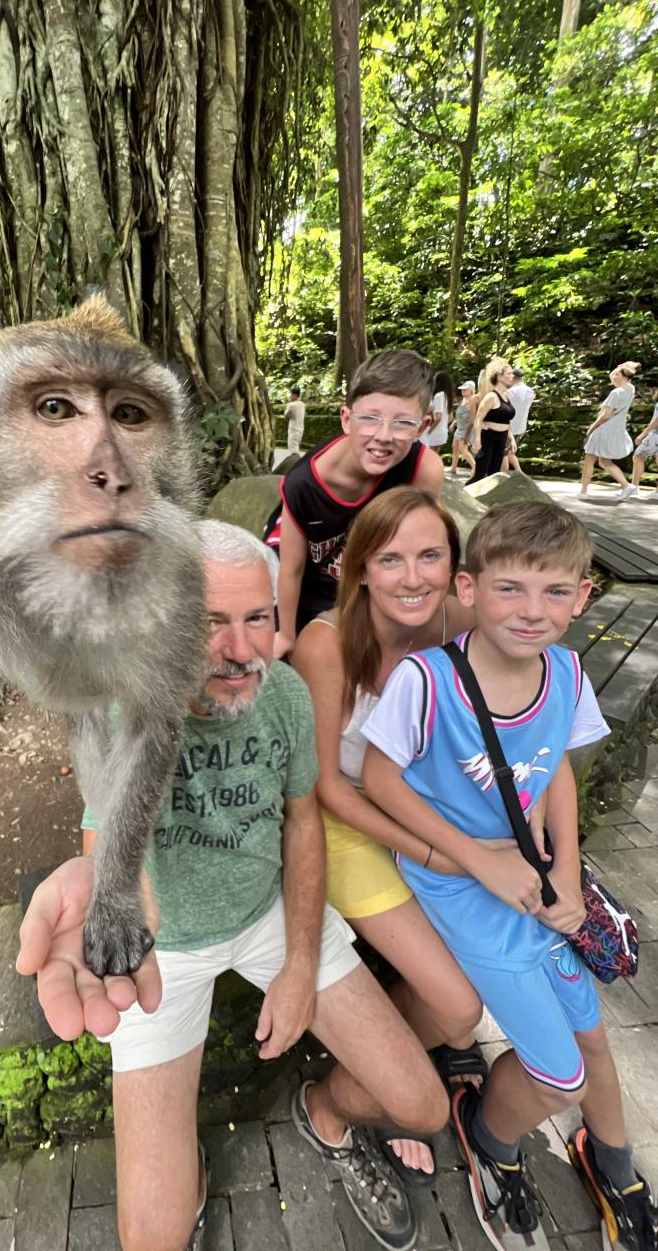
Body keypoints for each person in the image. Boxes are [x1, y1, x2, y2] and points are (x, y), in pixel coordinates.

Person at [17, 519, 449, 1251]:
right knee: (151, 1238)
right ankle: (185, 1181)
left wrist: (303, 963)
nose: (241, 649)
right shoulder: (120, 707)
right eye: (210, 623)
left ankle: (326, 1112)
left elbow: (303, 820)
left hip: (267, 916)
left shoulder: (280, 692)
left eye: (257, 619)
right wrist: (108, 893)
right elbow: (105, 832)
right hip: (164, 953)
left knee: (424, 1107)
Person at [361, 501, 658, 1251]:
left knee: (591, 1033)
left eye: (556, 592)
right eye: (511, 589)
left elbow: (556, 761)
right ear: (468, 588)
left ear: (583, 597)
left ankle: (614, 1162)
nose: (534, 611)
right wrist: (475, 858)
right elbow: (381, 779)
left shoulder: (564, 670)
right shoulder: (428, 682)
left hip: (531, 876)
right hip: (464, 887)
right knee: (559, 1078)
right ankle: (490, 1138)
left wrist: (561, 865)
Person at [292, 486, 489, 1186]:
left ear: (455, 566)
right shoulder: (326, 645)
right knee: (459, 1006)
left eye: (431, 555)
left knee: (469, 1004)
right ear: (359, 569)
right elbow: (328, 789)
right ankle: (344, 1101)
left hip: (422, 812)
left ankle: (394, 1066)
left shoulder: (460, 622)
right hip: (348, 826)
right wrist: (437, 852)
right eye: (392, 558)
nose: (413, 577)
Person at [264, 350, 444, 659]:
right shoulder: (305, 482)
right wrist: (286, 636)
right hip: (305, 571)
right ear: (347, 419)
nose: (383, 436)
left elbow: (421, 547)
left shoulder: (423, 470)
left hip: (361, 572)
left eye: (402, 422)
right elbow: (291, 570)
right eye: (370, 418)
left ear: (423, 426)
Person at [579, 362, 641, 501]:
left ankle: (583, 491)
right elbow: (612, 375)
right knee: (604, 461)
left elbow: (605, 415)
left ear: (624, 376)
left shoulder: (616, 392)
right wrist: (622, 367)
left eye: (618, 373)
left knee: (589, 459)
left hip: (605, 429)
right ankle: (626, 486)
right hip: (616, 428)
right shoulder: (630, 388)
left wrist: (592, 428)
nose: (614, 375)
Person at [469, 358, 516, 484]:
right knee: (480, 474)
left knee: (493, 474)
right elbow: (478, 419)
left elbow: (506, 420)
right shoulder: (491, 397)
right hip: (488, 437)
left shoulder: (506, 396)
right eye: (509, 374)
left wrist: (511, 438)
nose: (512, 376)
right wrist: (477, 439)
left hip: (502, 438)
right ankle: (463, 498)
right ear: (499, 377)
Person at [503, 367, 537, 474]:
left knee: (505, 452)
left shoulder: (510, 392)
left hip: (509, 426)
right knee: (508, 451)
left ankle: (515, 473)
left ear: (513, 377)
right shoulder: (530, 391)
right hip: (521, 425)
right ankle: (516, 472)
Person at [631, 393, 658, 501]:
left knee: (638, 456)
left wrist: (643, 434)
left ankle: (634, 487)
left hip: (656, 434)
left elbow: (656, 421)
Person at [420, 372, 453, 456]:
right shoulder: (447, 396)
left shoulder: (438, 396)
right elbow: (450, 417)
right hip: (443, 431)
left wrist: (429, 430)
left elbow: (438, 417)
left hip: (435, 431)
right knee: (435, 456)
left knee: (428, 456)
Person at [450, 381, 478, 476]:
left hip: (466, 429)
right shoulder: (463, 400)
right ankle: (453, 467)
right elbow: (459, 414)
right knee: (455, 447)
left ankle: (475, 467)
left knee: (463, 449)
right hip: (459, 428)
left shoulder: (473, 401)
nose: (462, 391)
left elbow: (473, 418)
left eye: (465, 389)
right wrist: (453, 424)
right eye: (462, 389)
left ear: (471, 390)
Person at [284, 384, 306, 456]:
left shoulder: (291, 405)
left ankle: (296, 464)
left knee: (293, 450)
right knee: (296, 448)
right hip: (300, 429)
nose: (290, 396)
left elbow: (286, 415)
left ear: (295, 395)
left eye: (291, 394)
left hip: (293, 430)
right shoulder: (302, 404)